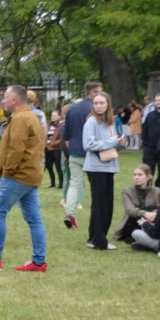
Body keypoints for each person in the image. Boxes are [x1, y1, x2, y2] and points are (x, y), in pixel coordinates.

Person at [0, 86, 48, 272]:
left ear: (14, 100)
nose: (2, 101)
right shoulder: (32, 116)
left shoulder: (21, 118)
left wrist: (8, 172)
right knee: (34, 219)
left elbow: (16, 150)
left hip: (18, 176)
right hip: (31, 174)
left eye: (5, 98)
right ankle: (39, 261)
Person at [83, 90, 126, 250]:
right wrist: (112, 140)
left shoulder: (110, 122)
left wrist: (119, 143)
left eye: (102, 103)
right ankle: (98, 240)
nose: (99, 106)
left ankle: (96, 237)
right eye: (96, 103)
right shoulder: (91, 122)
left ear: (108, 104)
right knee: (100, 204)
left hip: (109, 166)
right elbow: (88, 144)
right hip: (96, 167)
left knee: (107, 204)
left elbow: (111, 143)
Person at [63, 81, 102, 230]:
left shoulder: (72, 109)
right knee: (97, 185)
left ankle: (70, 212)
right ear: (92, 93)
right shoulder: (96, 109)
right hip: (92, 153)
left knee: (74, 183)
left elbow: (66, 135)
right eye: (99, 92)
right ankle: (97, 214)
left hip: (74, 152)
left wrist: (71, 151)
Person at [113, 164, 160, 243]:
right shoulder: (127, 191)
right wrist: (145, 213)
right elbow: (129, 209)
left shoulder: (157, 191)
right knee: (138, 210)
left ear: (148, 177)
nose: (136, 177)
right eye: (134, 175)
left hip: (151, 220)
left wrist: (154, 214)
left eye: (140, 175)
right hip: (133, 221)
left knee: (153, 208)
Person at [142, 93, 160, 184]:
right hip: (150, 149)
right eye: (156, 100)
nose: (158, 102)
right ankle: (146, 192)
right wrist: (145, 146)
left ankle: (158, 194)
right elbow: (144, 131)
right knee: (147, 173)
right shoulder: (150, 115)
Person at [45, 110, 63, 188]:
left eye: (55, 116)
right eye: (52, 116)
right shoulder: (48, 125)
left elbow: (62, 138)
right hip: (48, 149)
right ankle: (52, 183)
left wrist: (53, 143)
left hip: (57, 149)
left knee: (58, 167)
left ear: (59, 117)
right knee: (49, 167)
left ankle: (61, 184)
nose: (53, 117)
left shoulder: (61, 126)